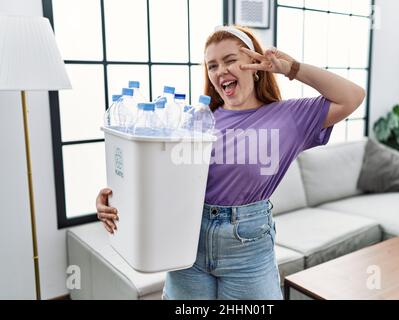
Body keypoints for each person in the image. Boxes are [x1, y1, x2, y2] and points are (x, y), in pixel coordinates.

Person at [96, 25, 365, 300]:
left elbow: (352, 96)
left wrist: (290, 68)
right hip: (187, 241)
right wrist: (117, 198)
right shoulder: (197, 121)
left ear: (255, 65)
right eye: (212, 65)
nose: (220, 71)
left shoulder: (290, 117)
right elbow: (160, 178)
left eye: (230, 60)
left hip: (248, 246)